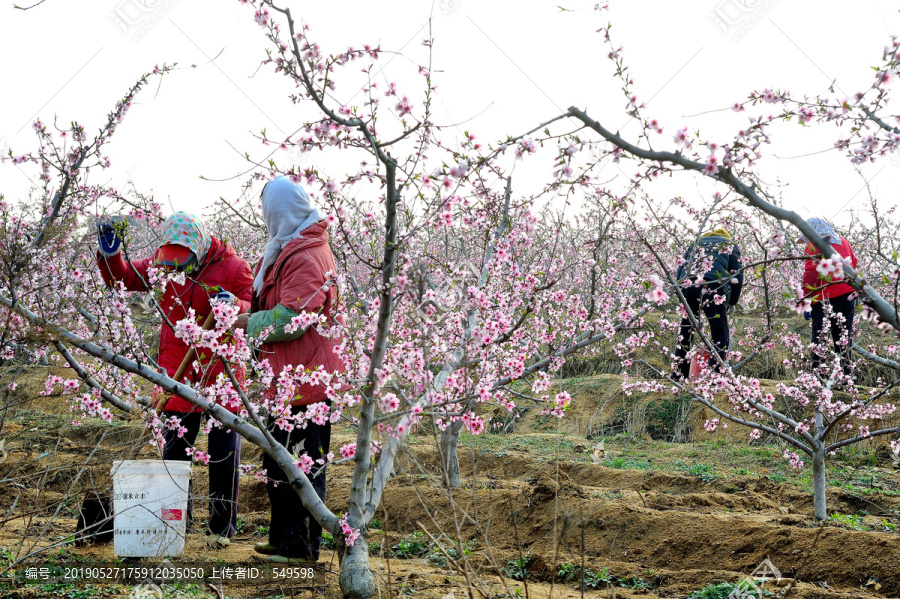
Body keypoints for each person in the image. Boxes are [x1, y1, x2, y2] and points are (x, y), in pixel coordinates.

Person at [97, 212, 254, 548]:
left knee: (222, 454)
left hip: (219, 370)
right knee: (174, 452)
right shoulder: (163, 261)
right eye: (172, 265)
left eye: (184, 265)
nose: (176, 271)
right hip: (175, 370)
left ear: (198, 249)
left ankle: (219, 529)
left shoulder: (234, 267)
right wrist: (112, 257)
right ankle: (172, 527)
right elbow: (124, 279)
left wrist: (235, 305)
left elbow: (252, 308)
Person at [233, 176, 345, 565]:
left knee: (302, 463)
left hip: (306, 381)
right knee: (280, 460)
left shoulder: (304, 255)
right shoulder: (290, 247)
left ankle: (299, 548)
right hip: (288, 377)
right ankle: (284, 538)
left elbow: (293, 317)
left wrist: (247, 322)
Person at [673, 227, 744, 380]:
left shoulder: (696, 244)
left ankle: (678, 375)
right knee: (720, 333)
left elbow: (679, 271)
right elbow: (737, 275)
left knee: (686, 331)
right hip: (713, 287)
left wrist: (682, 298)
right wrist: (732, 302)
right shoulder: (729, 245)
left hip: (688, 286)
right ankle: (714, 377)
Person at [801, 217, 858, 379]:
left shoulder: (813, 244)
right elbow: (853, 263)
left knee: (820, 337)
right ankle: (847, 377)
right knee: (844, 336)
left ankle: (818, 378)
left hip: (824, 297)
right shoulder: (843, 242)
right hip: (847, 295)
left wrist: (807, 301)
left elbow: (810, 275)